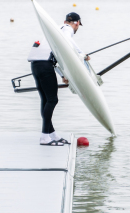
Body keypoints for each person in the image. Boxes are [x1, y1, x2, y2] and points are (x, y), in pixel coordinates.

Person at [27, 11, 88, 146]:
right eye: (78, 25)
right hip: (45, 65)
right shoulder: (67, 29)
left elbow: (54, 58)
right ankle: (44, 137)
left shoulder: (55, 29)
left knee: (46, 100)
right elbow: (68, 40)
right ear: (77, 23)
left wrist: (62, 75)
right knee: (52, 100)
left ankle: (51, 133)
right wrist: (82, 53)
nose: (77, 28)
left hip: (36, 65)